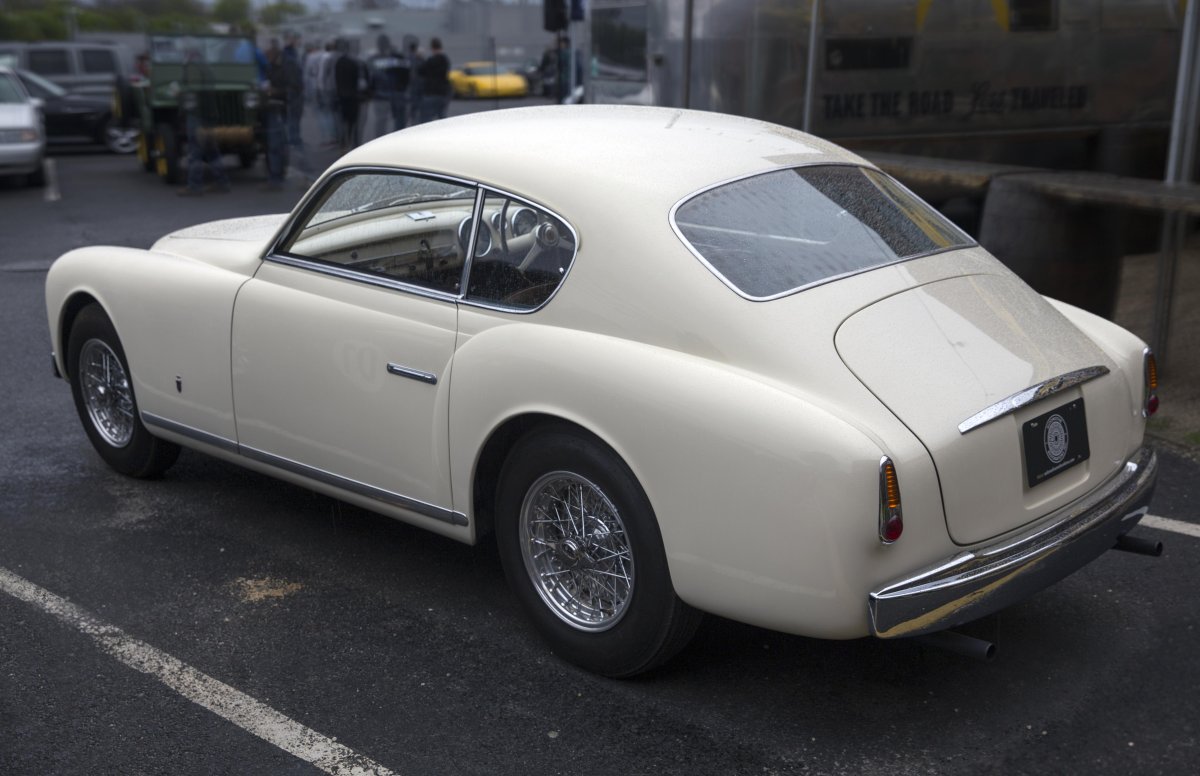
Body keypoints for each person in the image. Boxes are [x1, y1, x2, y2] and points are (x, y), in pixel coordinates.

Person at [177, 45, 230, 196]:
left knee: (195, 151)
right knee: (212, 150)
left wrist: (180, 92)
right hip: (209, 113)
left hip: (197, 114)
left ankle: (194, 185)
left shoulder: (192, 66)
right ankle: (222, 182)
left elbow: (193, 89)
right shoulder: (205, 66)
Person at [261, 39, 295, 191]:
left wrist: (274, 91)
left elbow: (293, 88)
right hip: (275, 107)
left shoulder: (285, 66)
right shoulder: (275, 66)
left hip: (279, 107)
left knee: (276, 145)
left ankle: (276, 178)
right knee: (277, 145)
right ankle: (277, 175)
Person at [366, 33, 410, 139]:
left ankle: (380, 142)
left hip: (380, 95)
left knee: (381, 121)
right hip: (396, 93)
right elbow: (406, 74)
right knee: (398, 120)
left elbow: (370, 77)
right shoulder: (398, 58)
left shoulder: (372, 59)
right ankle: (396, 142)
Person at [333, 39, 367, 149]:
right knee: (355, 123)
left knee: (343, 121)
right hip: (354, 97)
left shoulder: (339, 61)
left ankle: (343, 143)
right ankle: (355, 145)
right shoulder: (358, 63)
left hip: (341, 95)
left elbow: (336, 79)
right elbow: (362, 83)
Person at [417, 38, 450, 124]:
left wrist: (420, 58)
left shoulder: (430, 60)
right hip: (442, 92)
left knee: (426, 119)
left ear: (432, 47)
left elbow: (420, 71)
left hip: (431, 92)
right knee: (442, 117)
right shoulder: (445, 60)